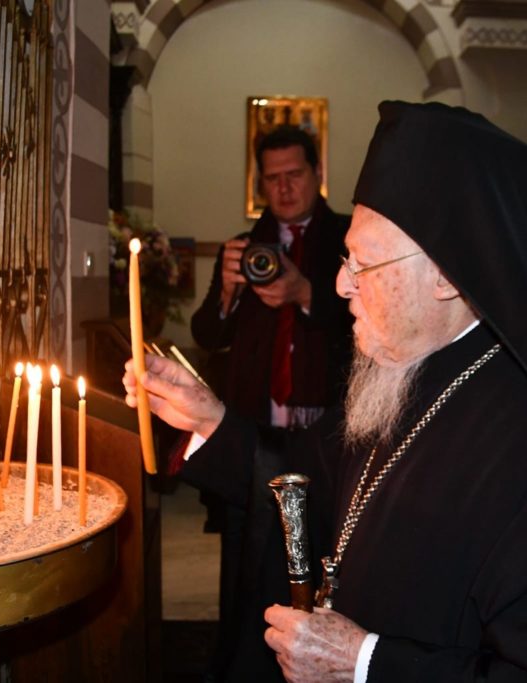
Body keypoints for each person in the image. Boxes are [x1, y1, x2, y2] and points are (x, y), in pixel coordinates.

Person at [127, 101, 527, 681]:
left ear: (448, 277)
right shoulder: (402, 369)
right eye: (343, 256)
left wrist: (364, 662)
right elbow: (309, 472)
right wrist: (208, 417)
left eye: (365, 264)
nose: (339, 285)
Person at [189, 124, 353, 680]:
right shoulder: (248, 244)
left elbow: (361, 331)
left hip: (328, 430)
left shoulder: (349, 239)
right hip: (254, 432)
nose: (283, 189)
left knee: (325, 559)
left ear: (317, 174)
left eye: (295, 175)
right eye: (272, 178)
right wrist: (230, 291)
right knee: (245, 561)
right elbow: (207, 333)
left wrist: (307, 292)